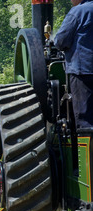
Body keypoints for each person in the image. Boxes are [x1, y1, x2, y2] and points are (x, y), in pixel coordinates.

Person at [54, 0, 93, 129]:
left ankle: (86, 148)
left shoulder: (78, 12)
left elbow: (60, 41)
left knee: (85, 119)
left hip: (84, 72)